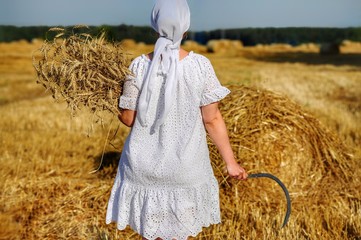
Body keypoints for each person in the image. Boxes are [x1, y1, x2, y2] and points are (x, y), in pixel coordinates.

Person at [106, 0, 247, 239]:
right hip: (186, 169)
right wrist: (230, 163)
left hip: (143, 169)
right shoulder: (200, 66)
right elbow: (211, 119)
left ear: (154, 26)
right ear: (185, 27)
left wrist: (110, 96)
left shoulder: (138, 66)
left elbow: (128, 119)